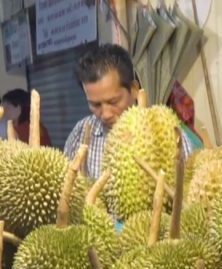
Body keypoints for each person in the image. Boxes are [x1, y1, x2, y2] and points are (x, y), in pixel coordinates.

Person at [64, 43, 195, 181]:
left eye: (113, 102)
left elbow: (186, 192)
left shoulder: (167, 132)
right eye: (95, 105)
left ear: (133, 89)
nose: (106, 114)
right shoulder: (80, 134)